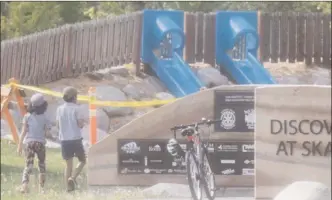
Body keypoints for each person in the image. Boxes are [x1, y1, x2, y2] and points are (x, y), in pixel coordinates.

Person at [17, 93, 50, 193]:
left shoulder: (27, 116)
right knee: (42, 165)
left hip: (29, 143)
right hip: (40, 144)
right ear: (43, 105)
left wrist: (19, 145)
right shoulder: (44, 118)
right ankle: (42, 188)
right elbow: (47, 132)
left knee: (28, 165)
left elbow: (23, 132)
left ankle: (24, 186)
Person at [56, 86, 85, 192]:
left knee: (68, 165)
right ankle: (72, 178)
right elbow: (80, 124)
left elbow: (58, 125)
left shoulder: (59, 109)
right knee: (82, 160)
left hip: (64, 140)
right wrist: (83, 123)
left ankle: (68, 189)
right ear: (74, 97)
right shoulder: (77, 109)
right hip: (76, 139)